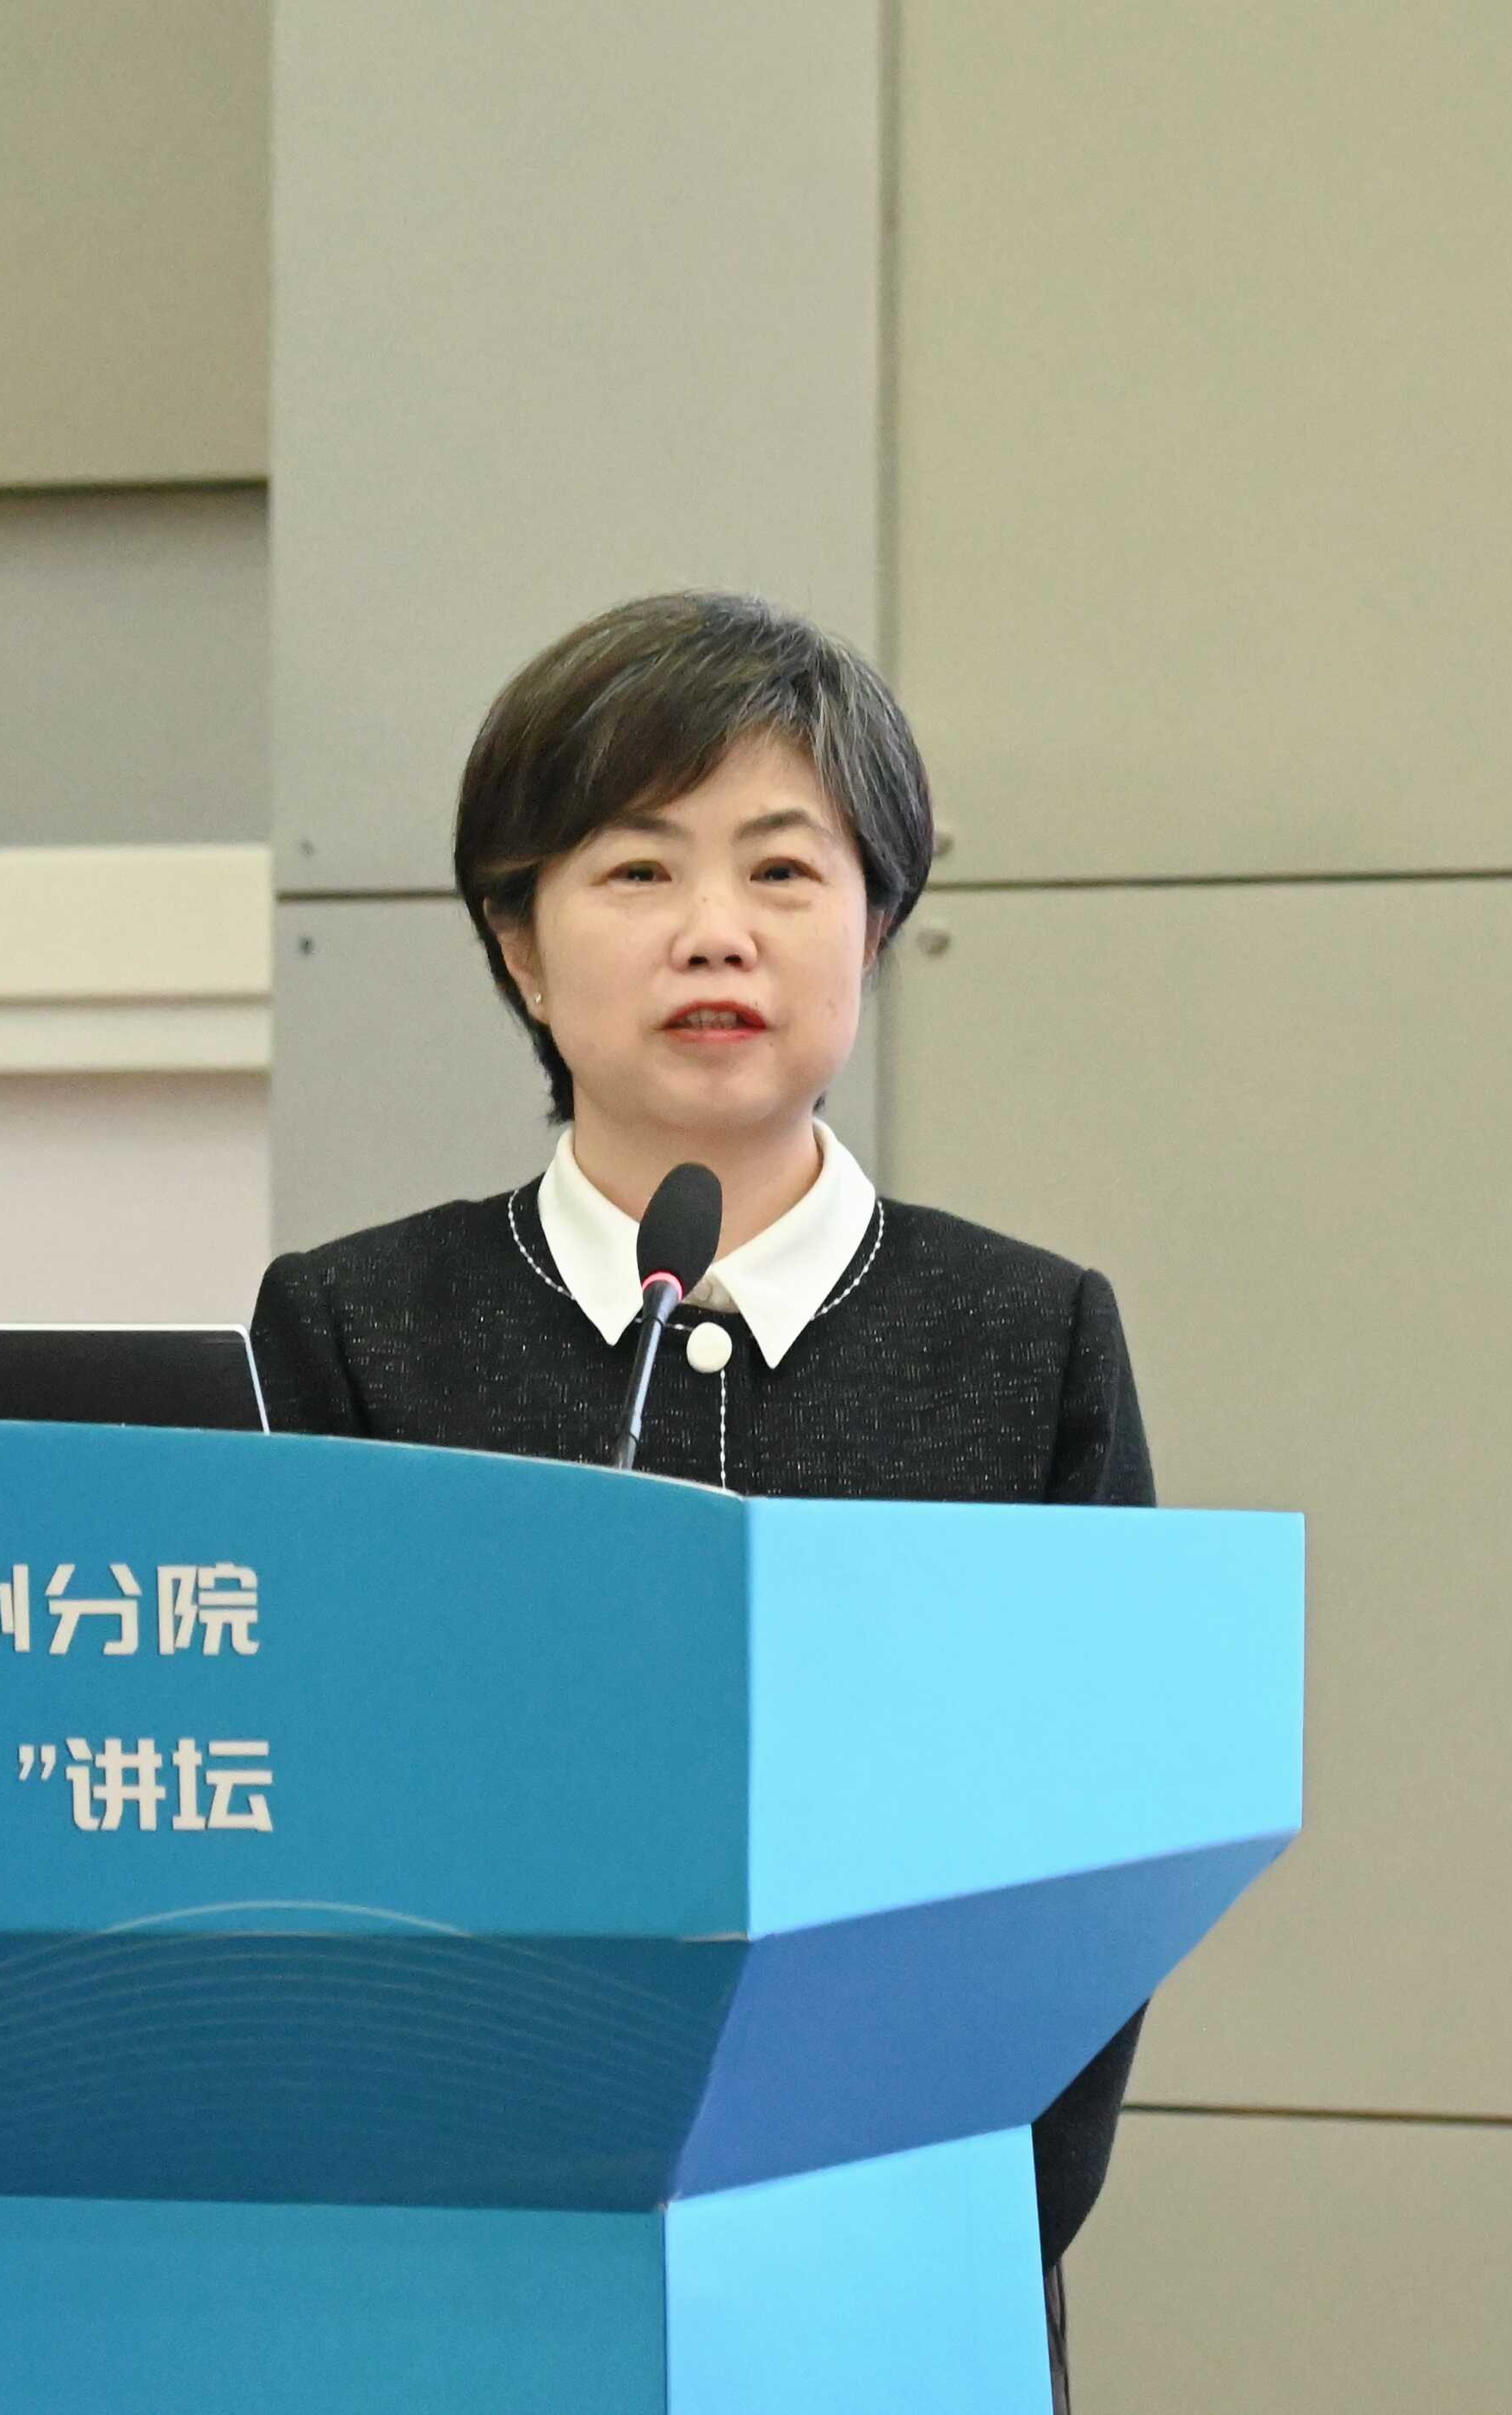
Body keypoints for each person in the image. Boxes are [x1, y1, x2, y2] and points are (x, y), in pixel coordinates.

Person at [249, 590, 1151, 2406]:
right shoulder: (356, 1325)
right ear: (517, 941)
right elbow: (300, 1829)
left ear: (875, 925)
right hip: (458, 2278)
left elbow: (1100, 1854)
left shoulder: (1027, 1333)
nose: (714, 929)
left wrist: (954, 2222)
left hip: (911, 2277)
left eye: (784, 870)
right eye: (638, 870)